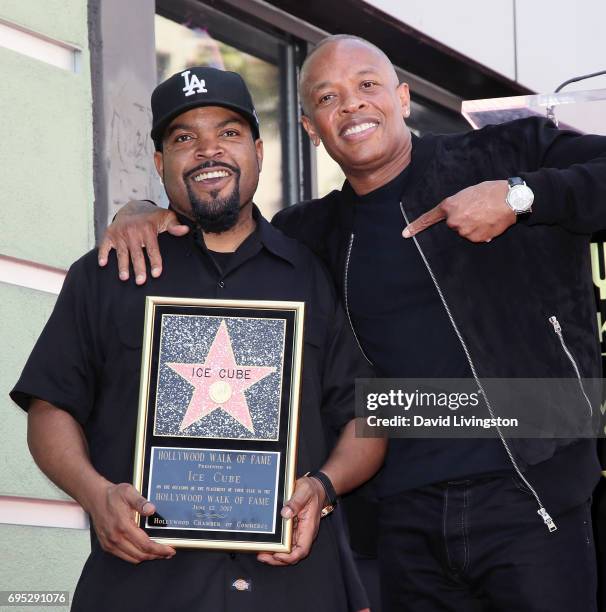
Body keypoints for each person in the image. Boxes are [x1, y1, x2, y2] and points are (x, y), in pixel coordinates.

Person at [98, 36, 606, 611]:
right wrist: (136, 211)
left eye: (367, 85)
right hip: (398, 521)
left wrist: (520, 196)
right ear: (311, 127)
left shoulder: (503, 156)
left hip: (532, 492)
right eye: (328, 96)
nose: (352, 105)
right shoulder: (309, 236)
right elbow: (221, 230)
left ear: (403, 97)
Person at [10, 65, 386, 612]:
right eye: (185, 138)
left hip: (294, 589)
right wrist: (96, 497)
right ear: (161, 163)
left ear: (258, 149)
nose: (209, 151)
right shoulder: (106, 274)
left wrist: (323, 489)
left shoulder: (313, 273)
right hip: (145, 588)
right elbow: (50, 405)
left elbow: (366, 413)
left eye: (228, 133)